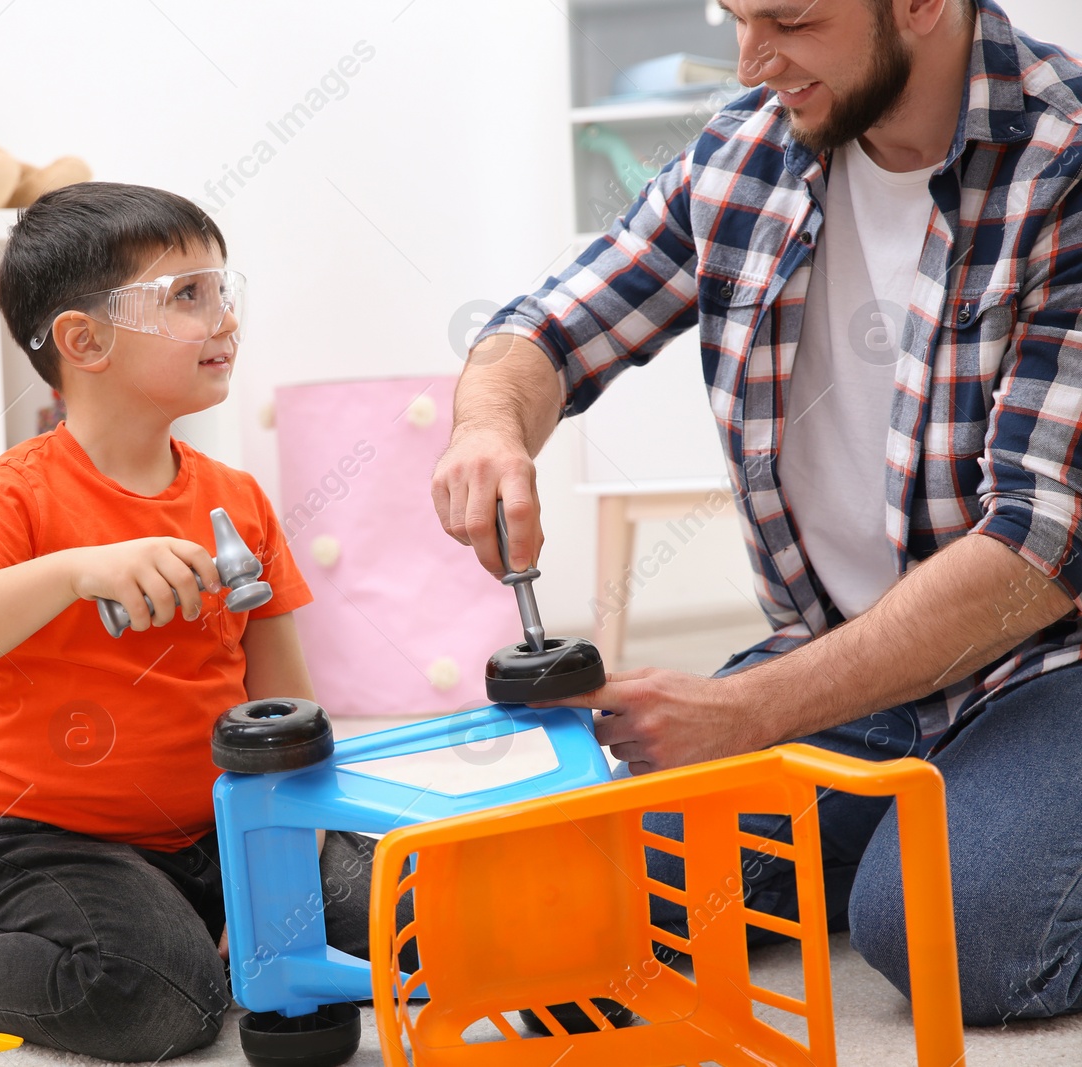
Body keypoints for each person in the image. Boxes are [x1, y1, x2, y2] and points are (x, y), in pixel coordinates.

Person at [433, 0, 1082, 1025]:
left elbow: (1033, 550)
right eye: (732, 15)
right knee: (564, 890)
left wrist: (750, 713)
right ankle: (910, 816)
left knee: (952, 935)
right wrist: (488, 427)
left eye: (786, 18)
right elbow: (544, 332)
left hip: (1051, 663)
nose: (748, 57)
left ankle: (936, 829)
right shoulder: (744, 150)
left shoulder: (1065, 163)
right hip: (850, 662)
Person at [0, 182, 394, 1060]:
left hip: (226, 826)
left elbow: (288, 717)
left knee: (415, 914)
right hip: (53, 841)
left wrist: (277, 873)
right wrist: (75, 570)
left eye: (221, 288)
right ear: (84, 340)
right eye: (187, 296)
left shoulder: (237, 501)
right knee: (158, 1006)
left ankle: (201, 919)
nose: (224, 316)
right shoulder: (17, 494)